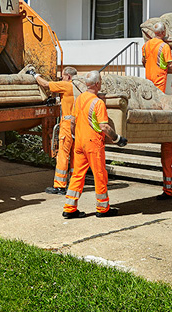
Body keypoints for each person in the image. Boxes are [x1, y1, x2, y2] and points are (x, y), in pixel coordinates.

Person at [63, 71, 122, 219]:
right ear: (97, 84)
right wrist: (117, 138)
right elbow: (104, 127)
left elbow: (72, 121)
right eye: (100, 81)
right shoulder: (98, 103)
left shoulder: (80, 98)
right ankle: (102, 209)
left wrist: (76, 136)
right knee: (100, 174)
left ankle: (69, 208)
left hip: (80, 142)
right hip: (93, 143)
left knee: (77, 174)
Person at [36, 67, 78, 195]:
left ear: (68, 77)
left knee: (62, 154)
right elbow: (69, 100)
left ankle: (60, 186)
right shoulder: (78, 88)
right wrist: (57, 100)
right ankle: (73, 183)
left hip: (67, 124)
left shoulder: (66, 85)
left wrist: (35, 75)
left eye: (63, 76)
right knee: (74, 155)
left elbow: (45, 84)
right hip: (77, 125)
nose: (61, 78)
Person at [142, 22, 172, 92]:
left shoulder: (146, 45)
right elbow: (171, 64)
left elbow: (143, 61)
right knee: (159, 97)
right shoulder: (164, 46)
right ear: (163, 32)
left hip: (148, 75)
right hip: (159, 77)